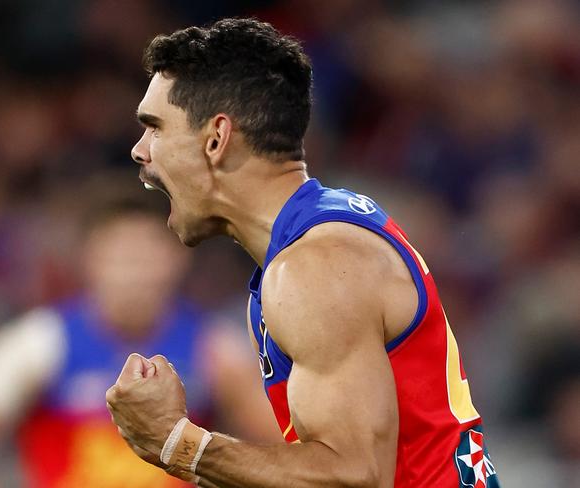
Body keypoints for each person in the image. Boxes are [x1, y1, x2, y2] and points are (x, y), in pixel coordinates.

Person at [105, 18, 501, 488]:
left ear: (216, 138)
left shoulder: (313, 266)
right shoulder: (314, 242)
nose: (139, 150)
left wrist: (176, 443)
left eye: (154, 128)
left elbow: (352, 475)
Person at [0, 195, 275, 488]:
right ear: (89, 261)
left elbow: (284, 452)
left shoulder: (213, 348)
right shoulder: (41, 341)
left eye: (145, 257)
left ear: (177, 259)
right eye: (120, 258)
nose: (132, 274)